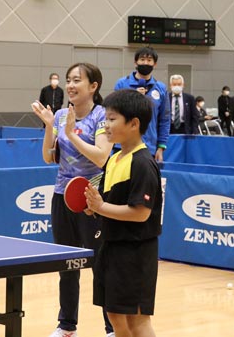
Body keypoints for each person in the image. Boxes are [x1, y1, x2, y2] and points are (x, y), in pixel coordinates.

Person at [31, 63, 114, 337]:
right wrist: (49, 126)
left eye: (77, 80)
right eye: (68, 80)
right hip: (61, 197)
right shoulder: (62, 114)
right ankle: (67, 326)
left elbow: (102, 156)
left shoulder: (103, 117)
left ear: (93, 86)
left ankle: (112, 327)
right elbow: (48, 157)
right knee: (67, 264)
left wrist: (70, 135)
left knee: (100, 264)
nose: (70, 85)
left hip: (92, 199)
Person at [84, 89, 162, 337]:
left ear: (134, 123)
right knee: (116, 316)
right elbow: (109, 203)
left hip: (135, 253)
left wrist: (101, 207)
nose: (105, 125)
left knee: (137, 320)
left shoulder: (142, 163)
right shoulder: (116, 159)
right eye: (105, 118)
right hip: (111, 246)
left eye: (112, 119)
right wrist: (94, 207)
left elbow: (140, 213)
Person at [114, 46, 170, 162]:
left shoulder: (161, 88)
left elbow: (164, 119)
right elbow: (113, 113)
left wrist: (161, 147)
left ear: (155, 64)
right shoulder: (122, 84)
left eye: (149, 60)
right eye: (142, 59)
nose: (145, 63)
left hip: (148, 147)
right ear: (136, 63)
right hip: (122, 145)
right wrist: (133, 98)